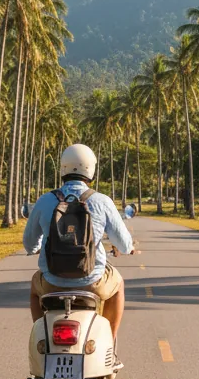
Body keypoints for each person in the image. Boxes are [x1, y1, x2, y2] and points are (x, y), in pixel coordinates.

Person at [23, 143, 136, 344]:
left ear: (63, 168)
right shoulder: (101, 201)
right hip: (93, 282)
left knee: (34, 287)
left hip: (52, 283)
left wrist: (36, 247)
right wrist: (129, 248)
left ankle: (43, 339)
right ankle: (109, 340)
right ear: (90, 169)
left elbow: (29, 243)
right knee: (118, 284)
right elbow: (124, 244)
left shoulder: (45, 200)